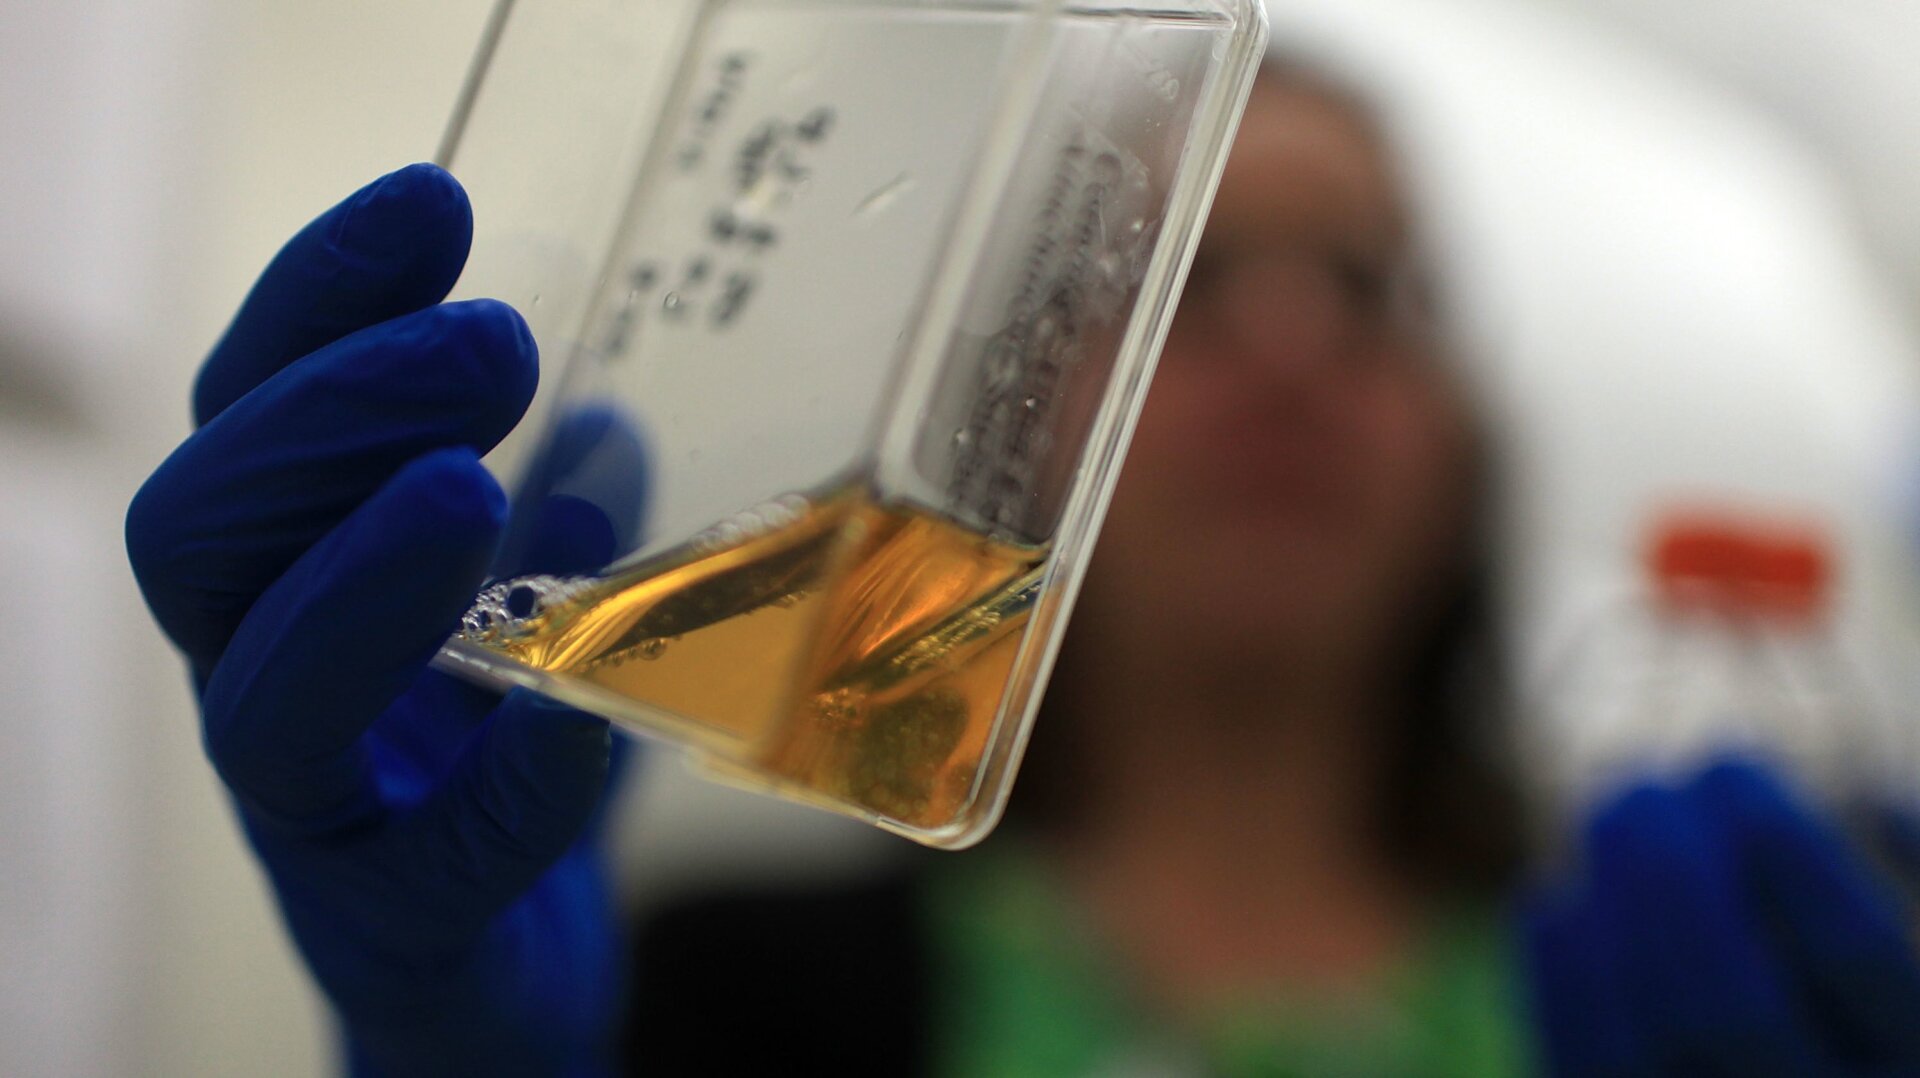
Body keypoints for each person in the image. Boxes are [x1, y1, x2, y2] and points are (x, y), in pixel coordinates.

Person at [125, 60, 1920, 1078]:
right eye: (1190, 287)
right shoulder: (734, 998)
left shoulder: (1696, 971)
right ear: (1022, 435)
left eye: (1363, 286)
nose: (1289, 345)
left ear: (1460, 446)